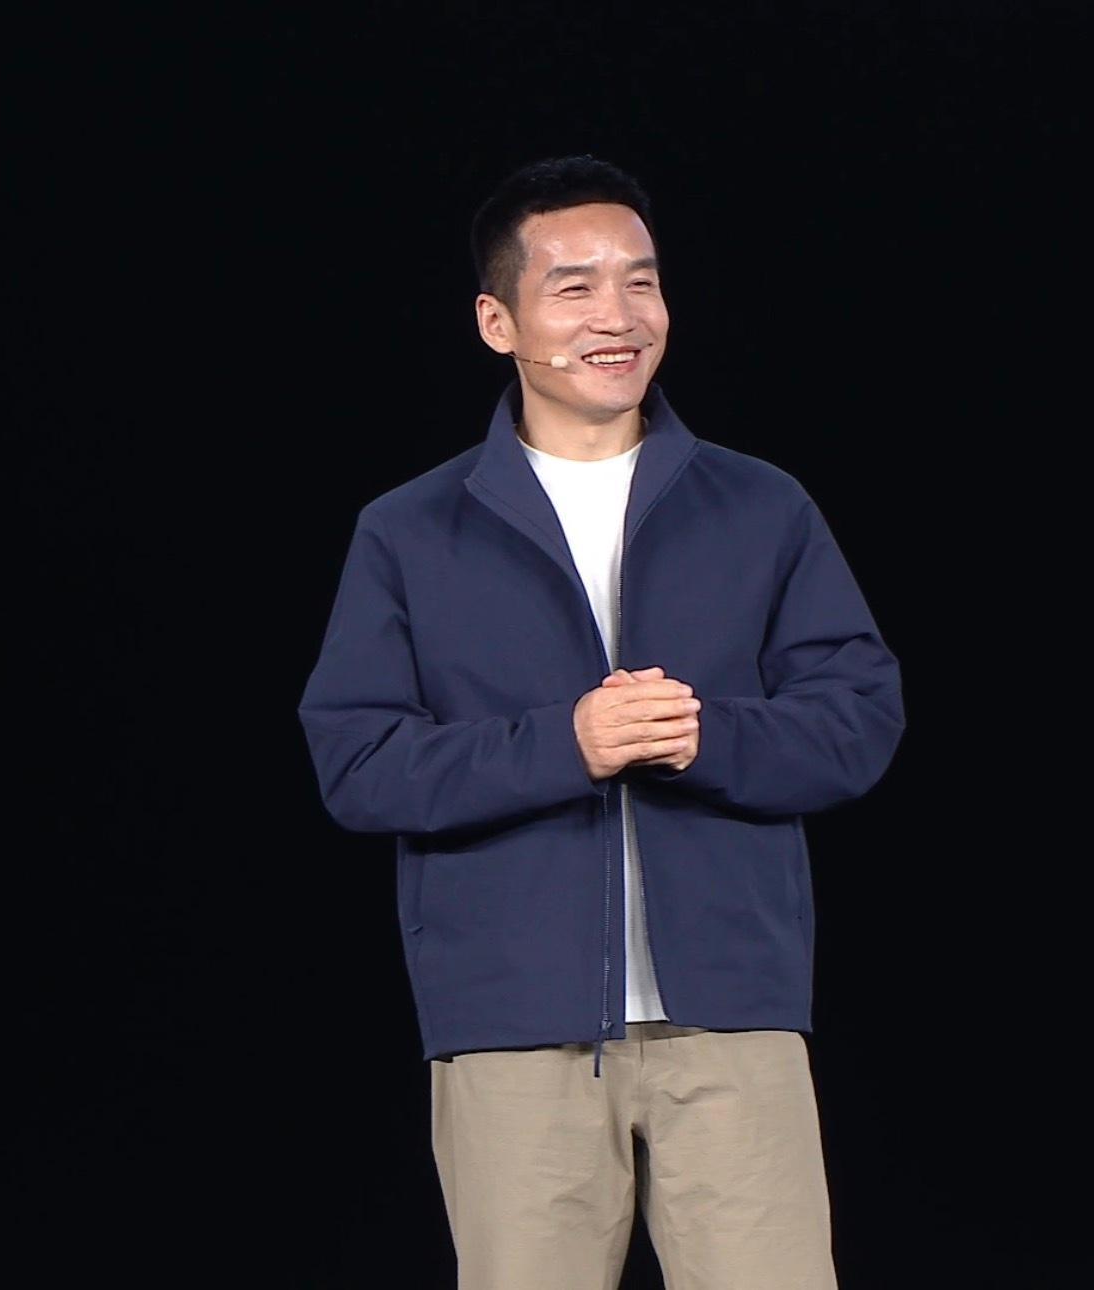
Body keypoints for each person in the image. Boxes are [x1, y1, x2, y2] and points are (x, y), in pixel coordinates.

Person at [297, 154, 904, 1290]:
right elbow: (360, 762)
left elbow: (858, 718)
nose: (617, 316)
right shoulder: (411, 530)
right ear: (498, 321)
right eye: (573, 287)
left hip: (734, 1022)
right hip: (511, 1030)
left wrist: (705, 739)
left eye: (641, 281)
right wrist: (563, 746)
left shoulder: (760, 506)